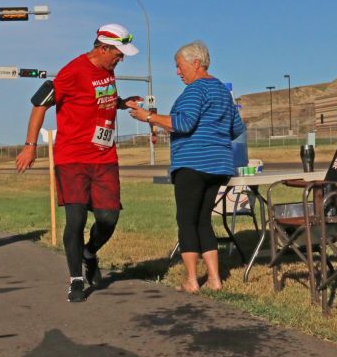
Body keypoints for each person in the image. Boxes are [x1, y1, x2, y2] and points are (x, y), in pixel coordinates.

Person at [15, 24, 142, 302]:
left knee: (109, 217)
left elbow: (95, 99)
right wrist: (30, 146)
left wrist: (121, 103)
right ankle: (75, 280)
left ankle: (89, 252)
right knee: (76, 219)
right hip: (72, 157)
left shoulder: (109, 70)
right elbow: (39, 103)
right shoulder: (72, 72)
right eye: (118, 53)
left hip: (104, 155)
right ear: (103, 48)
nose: (121, 59)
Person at [128, 40, 245, 293]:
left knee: (187, 221)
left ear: (195, 63)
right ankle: (215, 279)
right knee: (203, 220)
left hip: (192, 164)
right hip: (219, 166)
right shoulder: (223, 91)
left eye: (179, 66)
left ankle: (192, 280)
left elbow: (183, 123)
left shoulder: (195, 90)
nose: (177, 72)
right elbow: (237, 128)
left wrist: (147, 117)